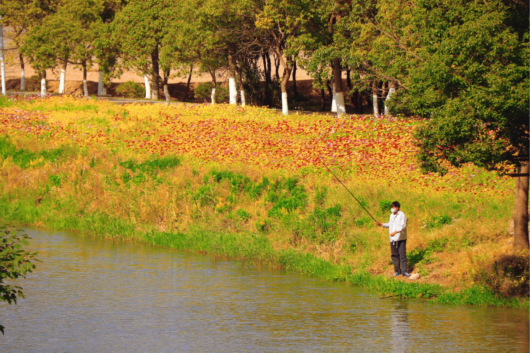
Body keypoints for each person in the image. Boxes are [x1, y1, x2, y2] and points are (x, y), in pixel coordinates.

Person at [376, 201, 408, 277]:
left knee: (402, 254)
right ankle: (397, 271)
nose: (392, 209)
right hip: (392, 238)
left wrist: (395, 232)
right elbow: (390, 224)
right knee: (394, 255)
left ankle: (405, 271)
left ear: (397, 208)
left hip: (401, 237)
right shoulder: (391, 216)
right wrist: (382, 224)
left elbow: (403, 226)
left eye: (393, 207)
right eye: (391, 207)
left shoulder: (402, 215)